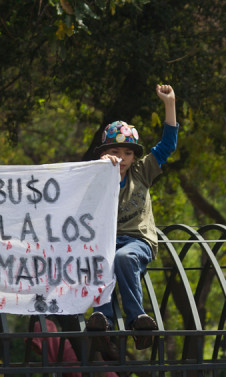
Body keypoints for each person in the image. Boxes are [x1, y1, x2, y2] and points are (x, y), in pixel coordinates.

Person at [86, 84, 178, 357]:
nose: (121, 158)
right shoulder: (96, 175)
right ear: (104, 154)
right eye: (114, 152)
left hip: (138, 241)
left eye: (127, 153)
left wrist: (169, 104)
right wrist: (102, 170)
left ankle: (138, 321)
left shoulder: (142, 171)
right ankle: (101, 320)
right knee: (102, 258)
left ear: (134, 156)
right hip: (107, 242)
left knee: (125, 258)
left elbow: (168, 145)